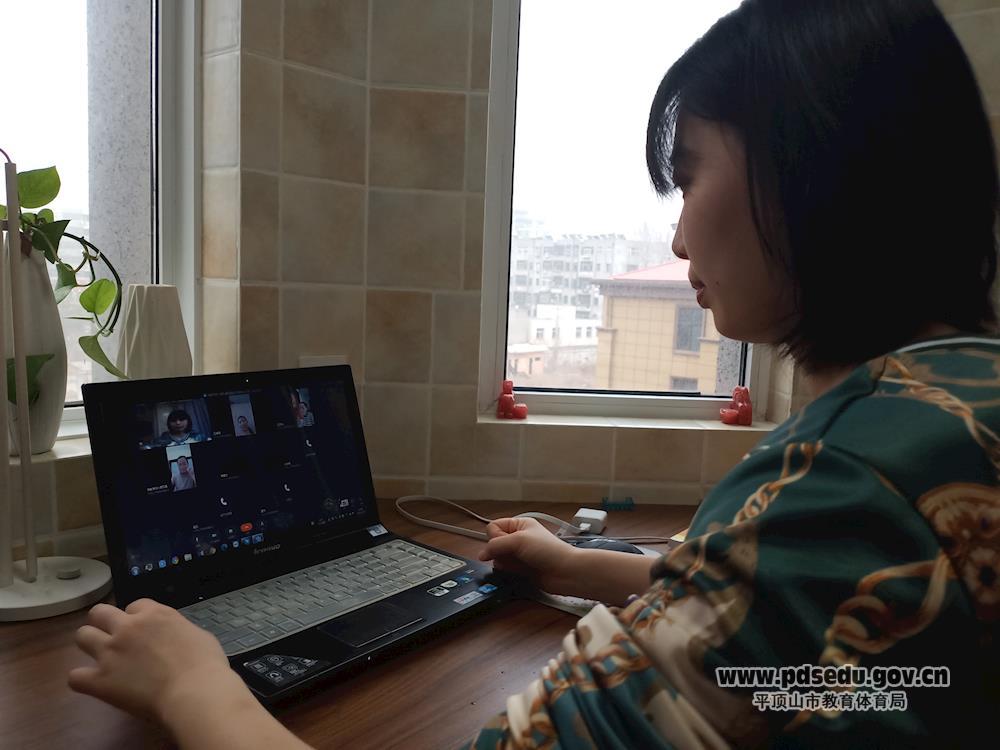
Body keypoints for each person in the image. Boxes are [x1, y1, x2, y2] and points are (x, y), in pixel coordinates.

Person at [66, 1, 999, 747]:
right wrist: (583, 567)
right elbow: (791, 631)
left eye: (688, 177)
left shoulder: (842, 481)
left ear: (811, 168)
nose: (679, 237)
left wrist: (194, 686)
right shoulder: (956, 409)